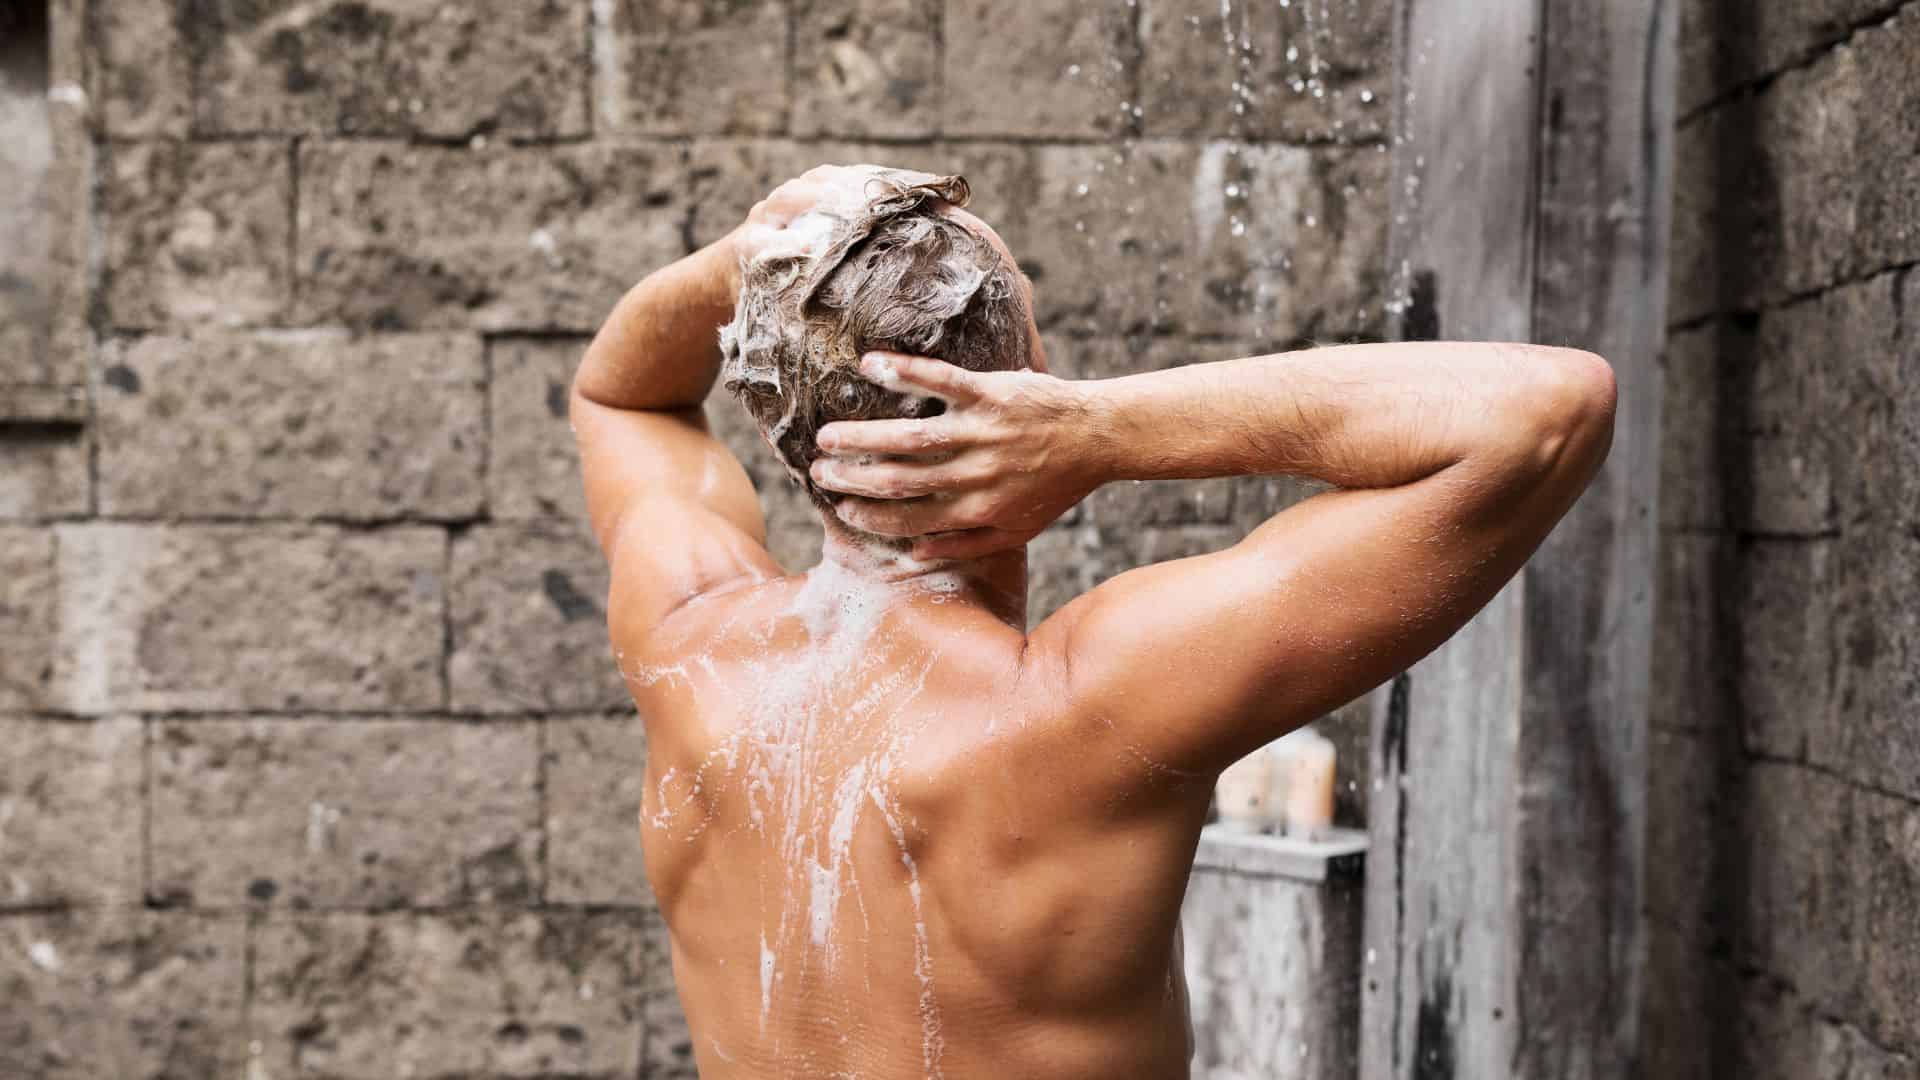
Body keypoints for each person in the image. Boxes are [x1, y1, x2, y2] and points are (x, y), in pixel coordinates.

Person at [571, 165, 1616, 1078]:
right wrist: (1102, 430)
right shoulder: (1090, 709)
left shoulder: (690, 641)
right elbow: (1545, 411)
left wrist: (758, 264)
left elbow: (622, 396)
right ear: (1026, 382)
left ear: (790, 416)